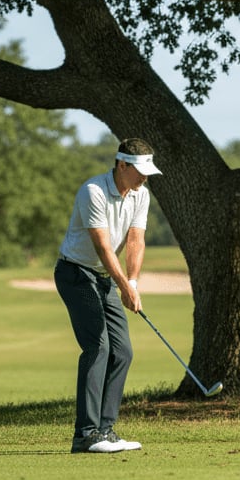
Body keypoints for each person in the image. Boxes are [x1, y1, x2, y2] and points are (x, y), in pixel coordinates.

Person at [55, 138, 161, 453]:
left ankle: (105, 431)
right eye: (139, 171)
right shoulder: (94, 191)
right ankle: (85, 435)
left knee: (123, 351)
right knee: (98, 347)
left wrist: (133, 282)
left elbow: (135, 240)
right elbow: (102, 246)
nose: (145, 178)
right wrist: (123, 285)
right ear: (122, 165)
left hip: (105, 278)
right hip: (75, 273)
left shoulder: (141, 195)